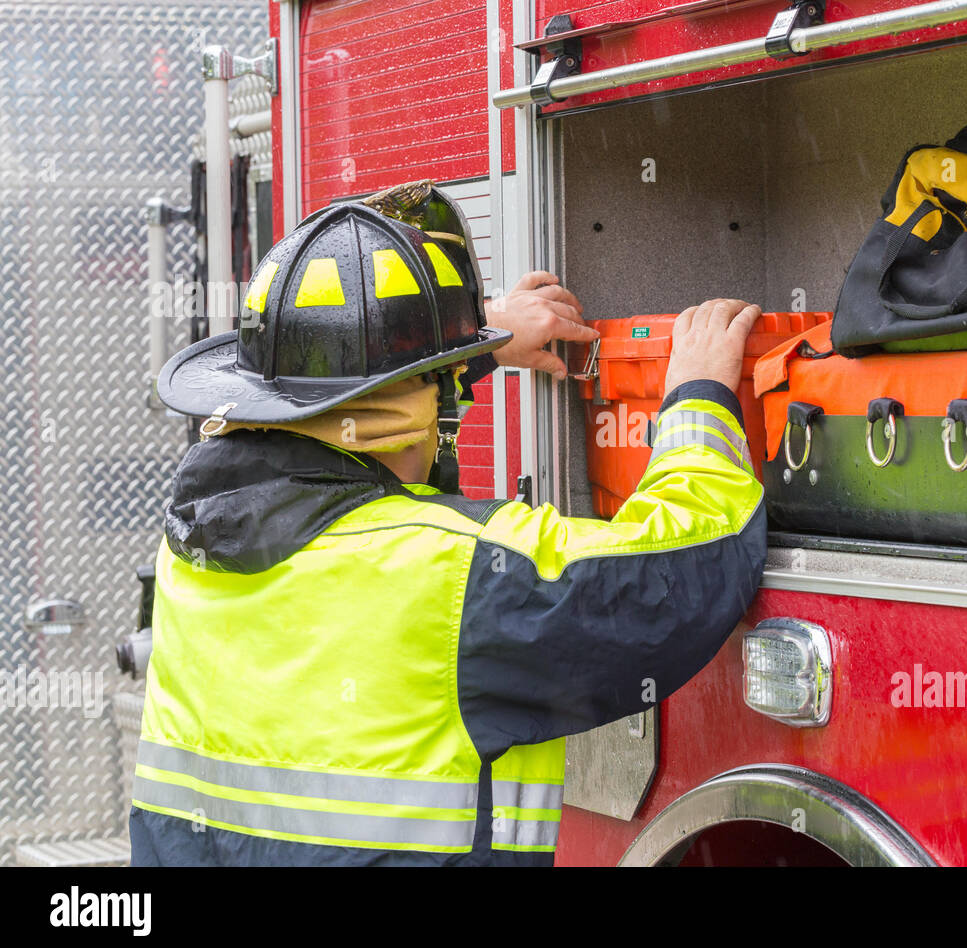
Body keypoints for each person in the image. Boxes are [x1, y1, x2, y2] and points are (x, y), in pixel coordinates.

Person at [130, 195, 766, 866]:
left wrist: (471, 347)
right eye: (442, 395)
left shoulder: (194, 543)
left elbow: (339, 404)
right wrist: (698, 394)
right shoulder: (454, 574)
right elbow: (683, 566)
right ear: (417, 408)